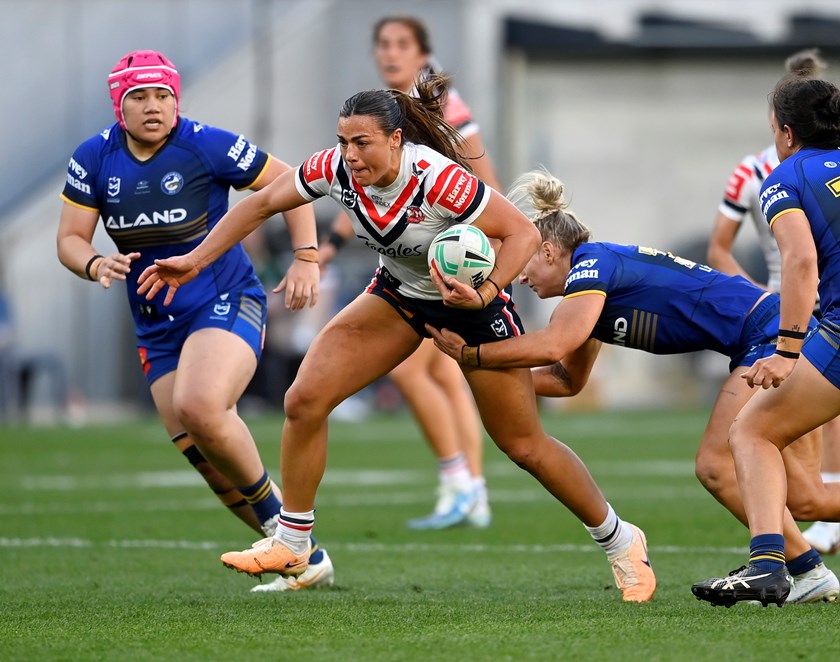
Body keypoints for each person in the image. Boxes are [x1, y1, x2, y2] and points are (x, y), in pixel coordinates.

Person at [137, 77, 657, 602]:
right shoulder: (333, 169)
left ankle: (620, 540)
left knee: (523, 445)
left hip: (471, 310)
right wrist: (194, 260)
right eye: (343, 141)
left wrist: (487, 292)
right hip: (399, 296)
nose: (349, 154)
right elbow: (258, 205)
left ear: (395, 140)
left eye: (361, 142)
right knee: (304, 399)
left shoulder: (437, 178)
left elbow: (521, 233)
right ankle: (293, 540)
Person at [427, 168, 840, 604]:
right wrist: (490, 383)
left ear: (548, 251)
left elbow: (553, 346)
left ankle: (791, 568)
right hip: (758, 340)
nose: (517, 276)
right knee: (805, 499)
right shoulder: (585, 295)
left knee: (716, 466)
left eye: (523, 261)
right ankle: (811, 573)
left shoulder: (592, 265)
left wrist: (474, 356)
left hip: (769, 336)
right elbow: (566, 380)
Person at [56, 50, 333, 593]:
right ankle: (305, 558)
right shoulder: (93, 158)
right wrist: (92, 263)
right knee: (206, 457)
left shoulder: (206, 144)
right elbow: (68, 238)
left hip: (225, 298)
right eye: (139, 97)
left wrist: (306, 256)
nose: (154, 107)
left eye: (163, 95)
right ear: (119, 105)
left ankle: (287, 537)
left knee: (201, 405)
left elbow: (294, 185)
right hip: (156, 324)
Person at [319, 15, 501, 529]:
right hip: (414, 261)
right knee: (444, 370)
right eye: (383, 44)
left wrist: (474, 253)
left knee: (412, 369)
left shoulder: (441, 105)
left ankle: (460, 482)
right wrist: (330, 245)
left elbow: (484, 180)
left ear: (424, 54)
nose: (390, 53)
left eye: (402, 44)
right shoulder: (382, 112)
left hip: (445, 261)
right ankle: (471, 491)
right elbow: (359, 186)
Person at [691, 75, 840, 606]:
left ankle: (767, 566)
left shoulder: (784, 177)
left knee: (751, 431)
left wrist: (785, 350)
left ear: (784, 131)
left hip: (834, 329)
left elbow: (800, 263)